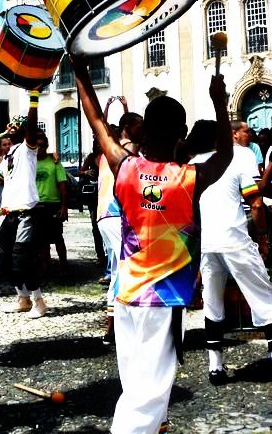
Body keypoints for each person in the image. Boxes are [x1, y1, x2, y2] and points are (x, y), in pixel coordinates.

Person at [72, 56, 233, 434]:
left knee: (136, 384)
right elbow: (225, 154)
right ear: (181, 132)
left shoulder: (123, 167)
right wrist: (220, 103)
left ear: (144, 131)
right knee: (149, 392)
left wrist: (80, 71)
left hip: (126, 296)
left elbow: (96, 121)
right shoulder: (189, 177)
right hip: (164, 300)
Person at [186, 119, 272, 383]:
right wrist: (264, 237)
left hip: (209, 243)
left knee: (212, 302)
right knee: (264, 297)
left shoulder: (193, 164)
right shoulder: (239, 158)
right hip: (235, 239)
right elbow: (255, 204)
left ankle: (215, 366)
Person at [0, 88, 47, 319]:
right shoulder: (10, 155)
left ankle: (39, 301)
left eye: (16, 125)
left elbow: (30, 127)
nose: (11, 127)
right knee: (5, 261)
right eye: (10, 125)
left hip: (25, 213)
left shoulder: (28, 149)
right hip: (6, 213)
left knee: (23, 260)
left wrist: (33, 100)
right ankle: (23, 299)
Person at [97, 98, 143, 345]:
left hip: (104, 214)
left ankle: (113, 325)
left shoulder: (109, 148)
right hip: (117, 214)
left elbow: (104, 127)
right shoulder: (130, 150)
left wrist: (122, 111)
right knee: (125, 269)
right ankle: (116, 327)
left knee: (117, 269)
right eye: (140, 125)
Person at [34, 131, 68, 275]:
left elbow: (62, 185)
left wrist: (64, 206)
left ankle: (63, 265)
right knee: (40, 239)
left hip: (52, 204)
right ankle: (44, 264)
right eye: (37, 146)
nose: (39, 148)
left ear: (47, 146)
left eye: (42, 145)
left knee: (57, 237)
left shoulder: (55, 162)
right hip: (36, 204)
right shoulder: (30, 162)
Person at [0, 136, 12, 225]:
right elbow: (0, 179)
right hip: (1, 198)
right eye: (4, 145)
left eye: (9, 144)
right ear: (1, 148)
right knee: (1, 222)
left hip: (13, 198)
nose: (7, 146)